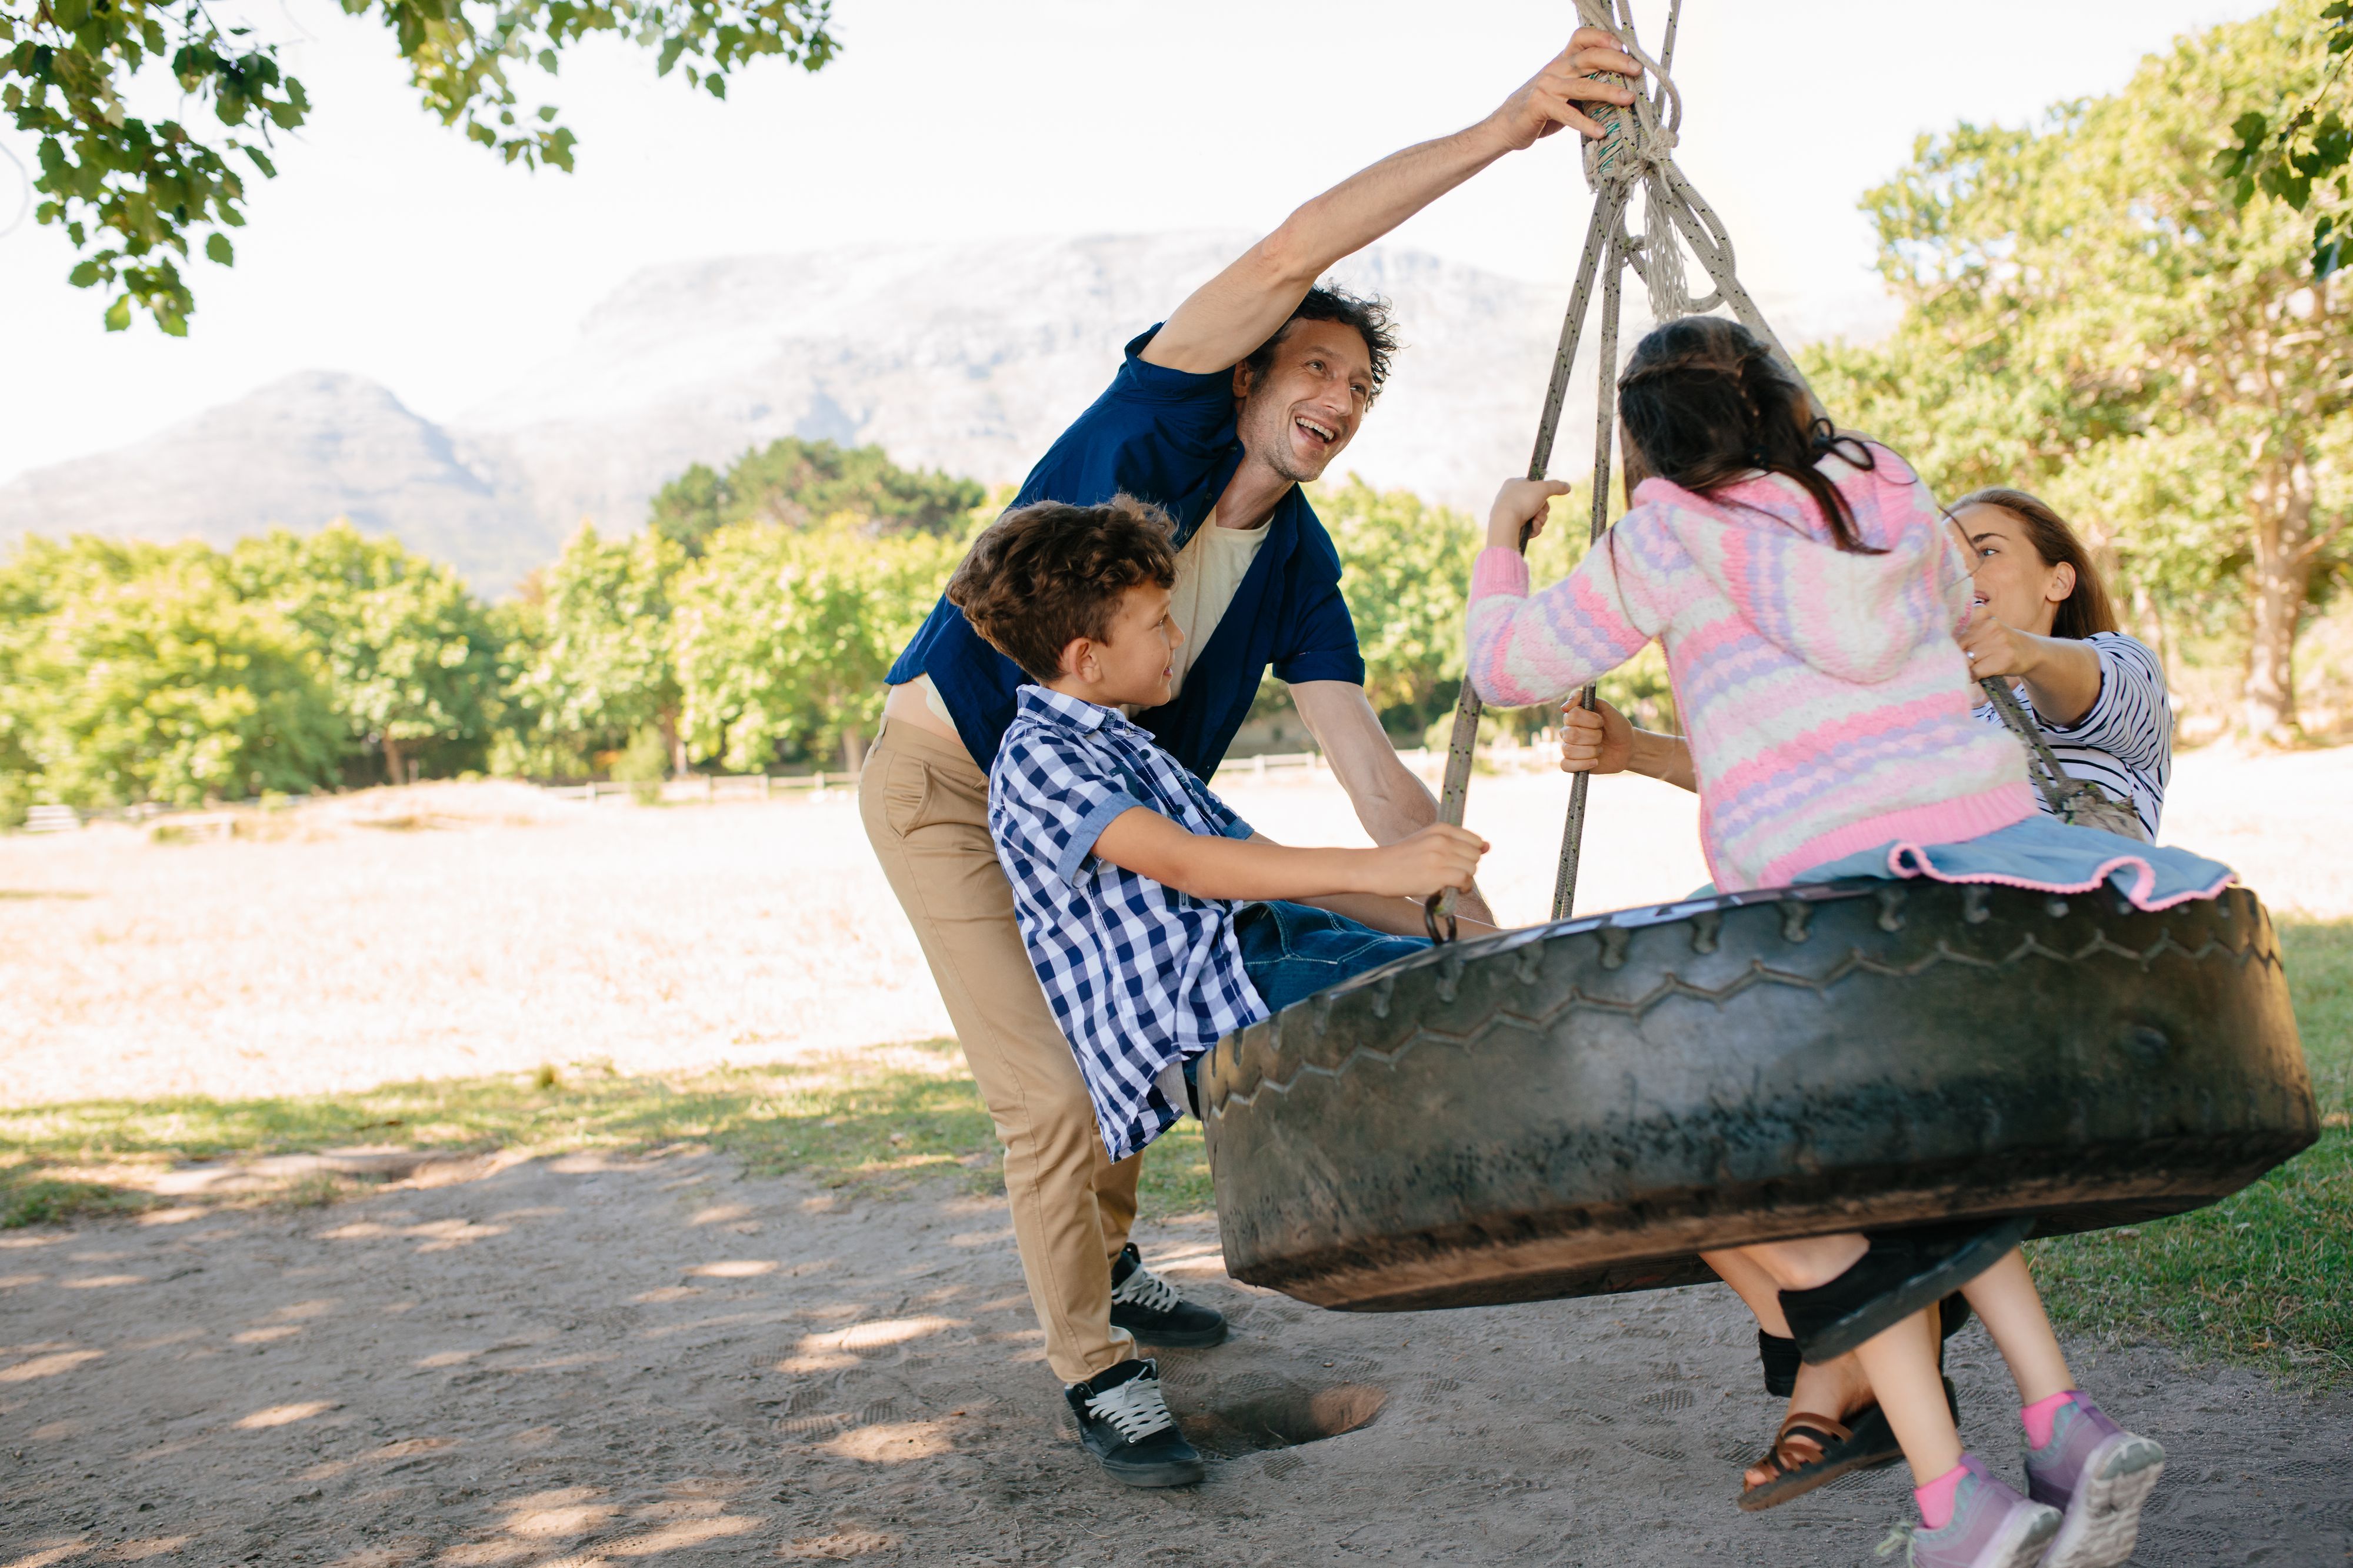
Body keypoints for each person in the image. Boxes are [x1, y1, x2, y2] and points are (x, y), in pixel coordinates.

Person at [858, 28, 1641, 1489]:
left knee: (1149, 1002)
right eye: (1317, 365)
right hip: (954, 783)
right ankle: (1096, 1366)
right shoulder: (1149, 425)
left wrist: (1457, 914)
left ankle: (1111, 1257)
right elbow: (1292, 248)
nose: (1339, 400)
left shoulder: (1300, 560)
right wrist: (1508, 126)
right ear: (1246, 374)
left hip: (1110, 799)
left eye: (1360, 388)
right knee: (1050, 1090)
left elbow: (1366, 764)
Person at [1462, 315, 2231, 1568]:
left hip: (1817, 904)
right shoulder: (1881, 489)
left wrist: (1501, 541)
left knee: (1831, 1198)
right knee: (1940, 1175)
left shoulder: (1664, 530)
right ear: (1776, 399)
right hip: (1972, 857)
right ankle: (2059, 1421)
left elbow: (1502, 664)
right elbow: (1922, 611)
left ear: (1651, 444)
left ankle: (1953, 1501)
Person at [1556, 497, 2179, 1512]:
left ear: (2058, 576)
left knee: (1856, 1097)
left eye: (1988, 550)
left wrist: (2010, 648)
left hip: (2059, 958)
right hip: (1926, 968)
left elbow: (2078, 682)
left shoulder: (2112, 673)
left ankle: (1861, 1386)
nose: (1961, 569)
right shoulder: (1925, 707)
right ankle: (1868, 1365)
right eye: (1946, 558)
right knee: (1687, 1126)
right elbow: (1804, 783)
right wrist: (1639, 751)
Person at [946, 495, 1488, 1484]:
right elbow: (1195, 867)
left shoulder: (1123, 739)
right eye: (1157, 622)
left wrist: (1440, 918)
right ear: (1085, 655)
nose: (1177, 637)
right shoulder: (1040, 760)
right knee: (1442, 1016)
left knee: (1457, 974)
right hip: (1217, 988)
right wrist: (1389, 867)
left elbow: (1261, 861)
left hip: (1262, 948)